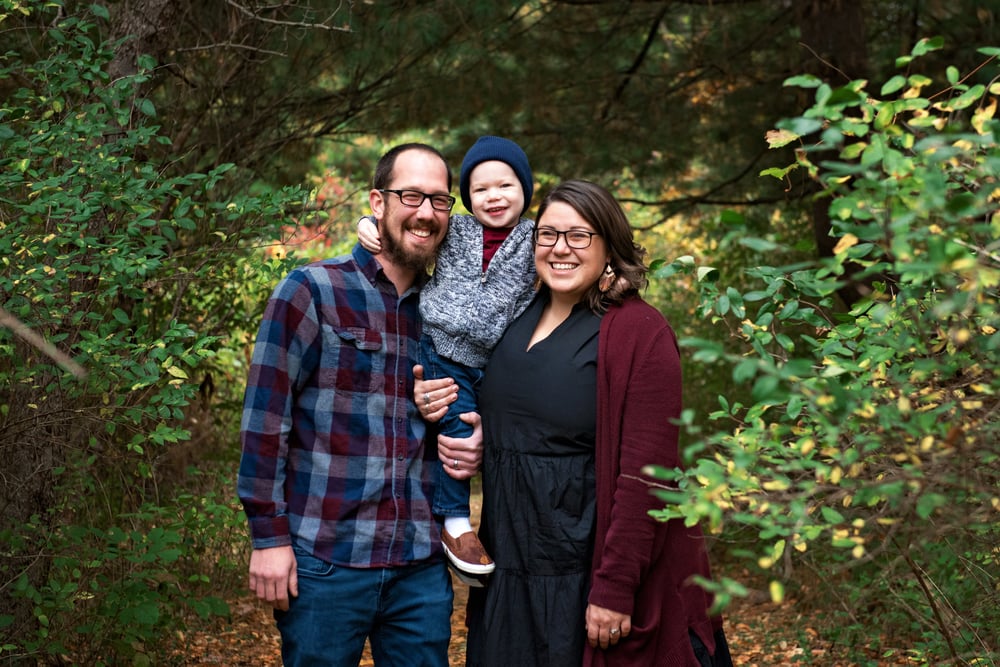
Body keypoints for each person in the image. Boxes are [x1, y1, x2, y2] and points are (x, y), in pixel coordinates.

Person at [419, 180, 734, 666]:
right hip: (511, 573)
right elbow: (504, 406)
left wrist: (615, 588)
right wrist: (474, 432)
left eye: (579, 235)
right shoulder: (517, 316)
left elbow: (646, 477)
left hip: (587, 578)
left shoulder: (639, 333)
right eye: (547, 235)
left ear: (609, 244)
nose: (560, 248)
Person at [238, 142, 483, 667]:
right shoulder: (311, 291)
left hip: (419, 568)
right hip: (327, 560)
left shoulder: (447, 314)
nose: (426, 213)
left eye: (440, 201)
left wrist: (481, 431)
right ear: (377, 201)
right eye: (411, 196)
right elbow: (265, 422)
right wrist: (268, 539)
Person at [358, 136, 537, 581]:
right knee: (457, 425)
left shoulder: (535, 238)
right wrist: (367, 223)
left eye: (506, 186)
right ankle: (455, 523)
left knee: (494, 432)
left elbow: (576, 248)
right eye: (480, 189)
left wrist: (609, 272)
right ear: (467, 198)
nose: (493, 197)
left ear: (526, 191)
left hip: (495, 359)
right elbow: (410, 229)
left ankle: (513, 525)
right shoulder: (455, 229)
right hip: (443, 348)